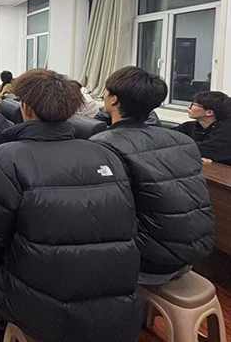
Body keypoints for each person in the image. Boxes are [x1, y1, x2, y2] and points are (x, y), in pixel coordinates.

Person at [0, 69, 139, 342]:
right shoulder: (106, 154)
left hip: (44, 313)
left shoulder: (7, 157)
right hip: (117, 307)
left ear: (25, 108)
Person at [91, 66, 214, 285]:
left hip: (148, 261)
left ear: (115, 100)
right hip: (191, 255)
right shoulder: (184, 141)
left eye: (106, 92)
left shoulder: (103, 145)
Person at [176, 91, 231, 166]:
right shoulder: (190, 126)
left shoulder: (227, 131)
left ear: (209, 112)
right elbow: (167, 137)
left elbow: (206, 150)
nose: (189, 107)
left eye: (193, 105)